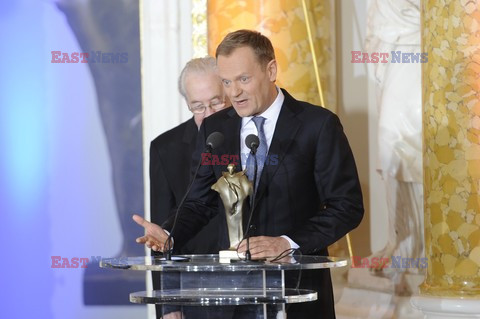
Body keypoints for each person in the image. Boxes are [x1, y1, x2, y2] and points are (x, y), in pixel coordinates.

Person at [134, 30, 364, 318]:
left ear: (271, 70)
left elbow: (347, 207)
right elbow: (199, 203)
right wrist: (170, 233)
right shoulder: (215, 129)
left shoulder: (317, 126)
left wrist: (287, 243)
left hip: (296, 293)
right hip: (231, 298)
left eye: (243, 79)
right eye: (227, 82)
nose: (234, 92)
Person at [149, 56, 229, 319]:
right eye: (198, 106)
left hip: (255, 281)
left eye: (216, 102)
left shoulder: (255, 136)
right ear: (187, 104)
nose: (209, 115)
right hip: (196, 290)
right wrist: (168, 304)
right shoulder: (165, 148)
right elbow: (162, 232)